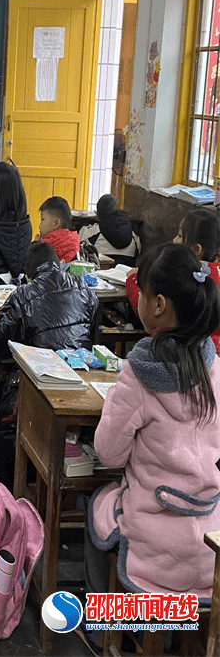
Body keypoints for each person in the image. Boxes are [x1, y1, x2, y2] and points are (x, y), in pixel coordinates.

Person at [86, 243, 220, 608]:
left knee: (97, 504)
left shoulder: (141, 372)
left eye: (142, 294)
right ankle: (177, 638)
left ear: (158, 304)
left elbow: (109, 453)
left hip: (159, 548)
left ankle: (111, 622)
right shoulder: (214, 365)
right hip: (211, 539)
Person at [126, 209, 220, 348]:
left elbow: (147, 308)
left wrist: (134, 280)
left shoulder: (183, 276)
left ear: (196, 250)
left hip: (182, 350)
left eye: (180, 236)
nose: (174, 240)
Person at [0, 241, 98, 361]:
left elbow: (3, 341)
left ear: (27, 276)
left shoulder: (23, 294)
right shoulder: (82, 285)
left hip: (41, 364)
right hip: (80, 360)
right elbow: (93, 318)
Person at [78, 193, 140, 266]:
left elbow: (80, 241)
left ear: (97, 215)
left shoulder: (93, 231)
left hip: (99, 273)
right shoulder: (133, 235)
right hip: (126, 274)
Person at [35, 195, 80, 264]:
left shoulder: (47, 246)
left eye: (43, 219)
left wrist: (35, 247)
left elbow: (31, 265)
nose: (39, 226)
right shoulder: (73, 240)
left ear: (56, 223)